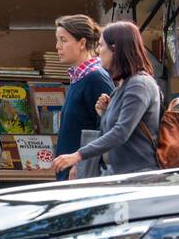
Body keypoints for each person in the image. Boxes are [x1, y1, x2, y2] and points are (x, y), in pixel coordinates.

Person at [52, 21, 160, 178]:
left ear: (115, 49)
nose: (97, 50)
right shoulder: (124, 85)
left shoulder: (139, 84)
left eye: (101, 46)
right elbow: (114, 129)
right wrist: (104, 113)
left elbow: (121, 132)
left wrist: (78, 156)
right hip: (119, 174)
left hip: (137, 176)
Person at [52, 14, 115, 181]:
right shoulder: (78, 78)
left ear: (82, 43)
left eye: (63, 40)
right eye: (58, 40)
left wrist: (81, 163)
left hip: (82, 174)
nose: (58, 46)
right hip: (69, 170)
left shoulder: (96, 78)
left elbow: (106, 126)